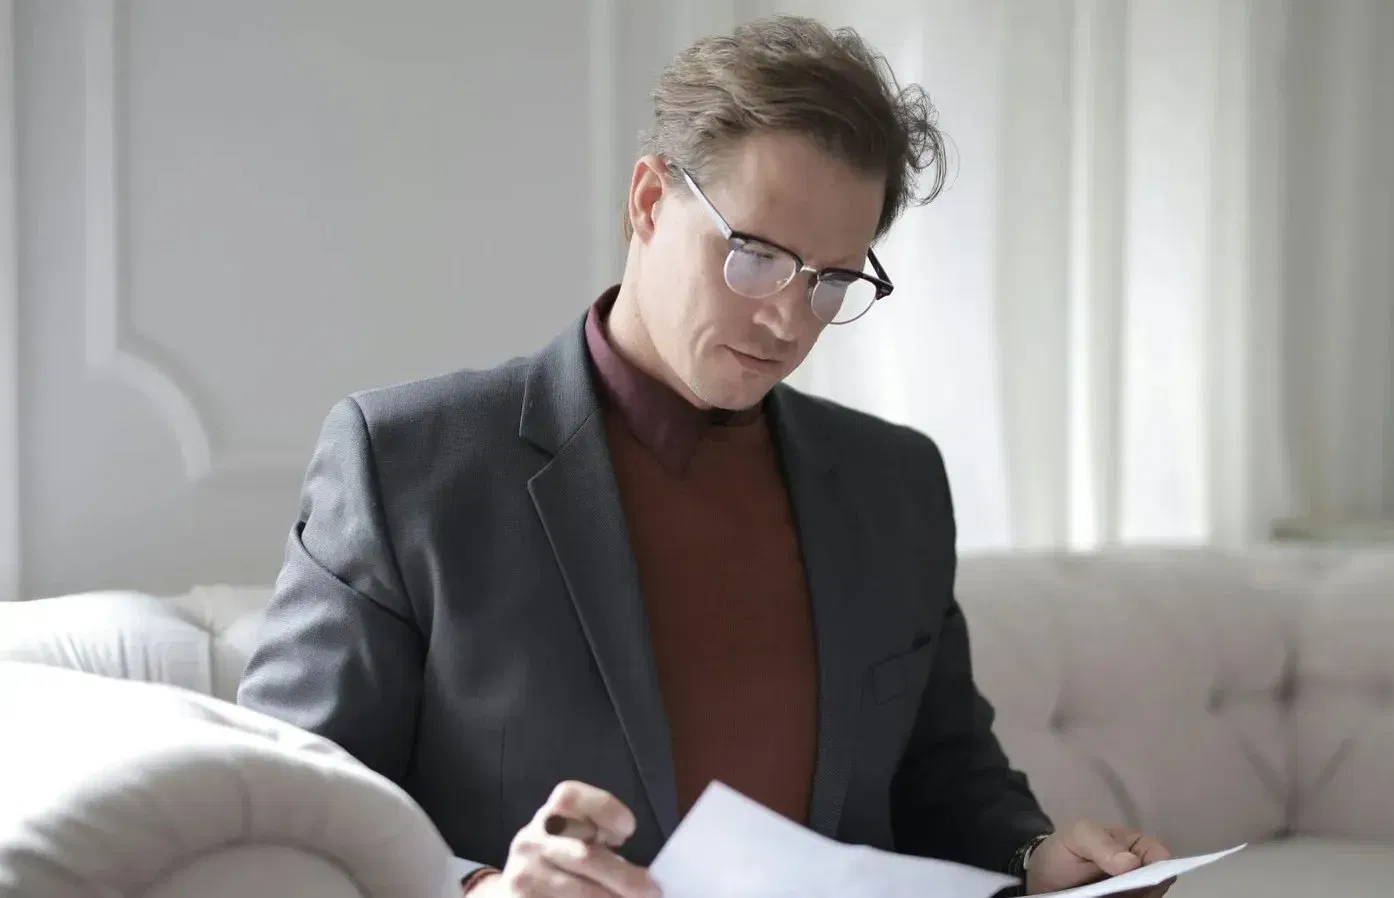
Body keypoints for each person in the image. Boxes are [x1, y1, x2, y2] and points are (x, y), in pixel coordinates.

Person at [238, 14, 1174, 898]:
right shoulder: (406, 465)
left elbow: (942, 771)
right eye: (756, 256)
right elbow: (285, 818)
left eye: (831, 280)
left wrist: (1036, 854)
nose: (786, 317)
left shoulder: (897, 483)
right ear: (649, 201)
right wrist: (478, 889)